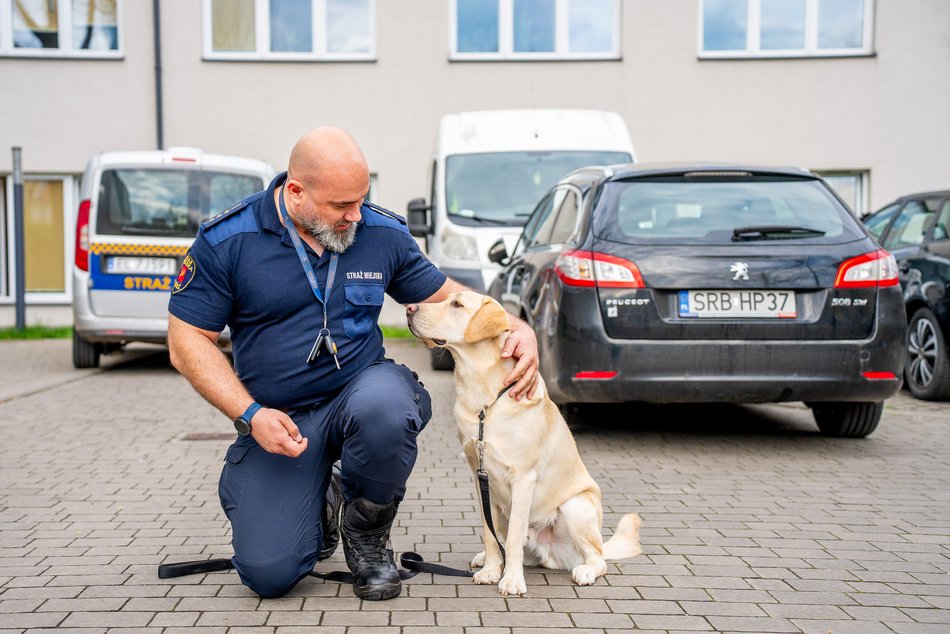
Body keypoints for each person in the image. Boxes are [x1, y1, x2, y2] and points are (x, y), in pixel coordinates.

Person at [166, 126, 539, 600]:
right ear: (295, 192)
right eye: (342, 205)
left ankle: (366, 536)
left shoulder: (381, 233)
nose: (355, 215)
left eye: (361, 199)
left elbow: (450, 298)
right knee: (269, 573)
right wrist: (250, 414)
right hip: (279, 421)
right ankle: (321, 497)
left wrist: (517, 327)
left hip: (360, 398)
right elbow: (186, 340)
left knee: (387, 408)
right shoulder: (229, 240)